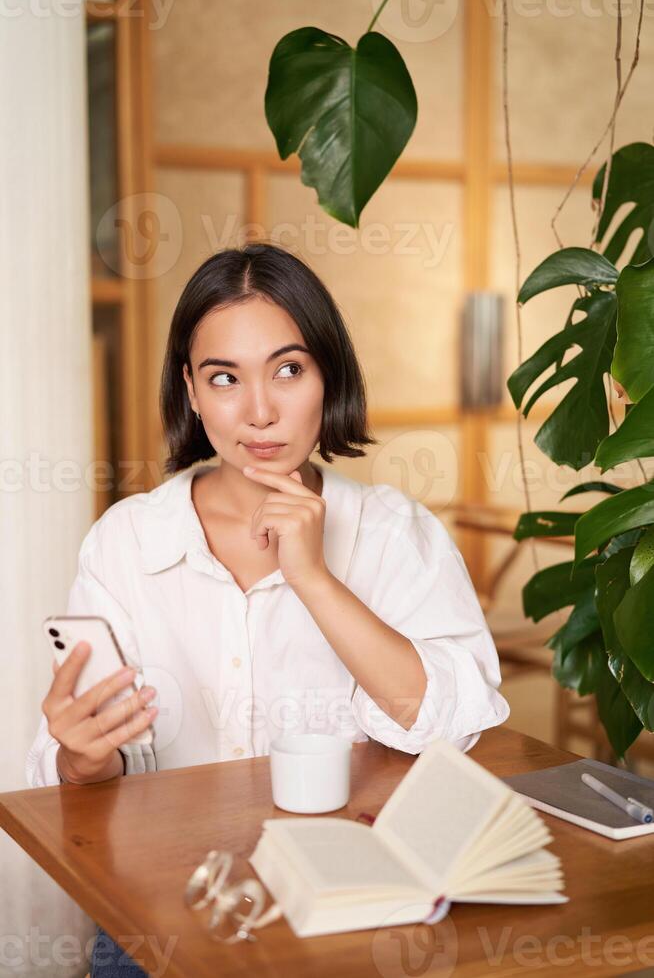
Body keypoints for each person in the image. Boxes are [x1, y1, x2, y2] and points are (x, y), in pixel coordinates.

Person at [27, 242, 510, 975]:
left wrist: (314, 578)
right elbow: (78, 781)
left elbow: (451, 721)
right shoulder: (127, 543)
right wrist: (80, 757)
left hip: (352, 912)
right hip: (165, 912)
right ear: (190, 390)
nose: (259, 412)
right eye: (225, 378)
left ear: (328, 375)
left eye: (288, 370)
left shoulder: (392, 532)